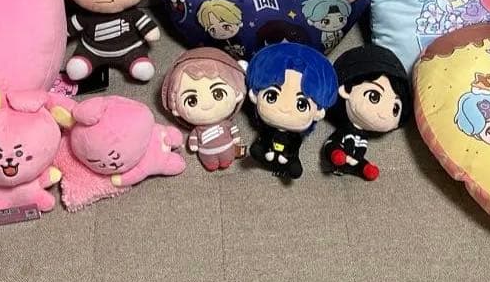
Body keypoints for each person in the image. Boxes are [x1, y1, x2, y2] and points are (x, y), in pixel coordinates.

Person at [246, 43, 337, 180]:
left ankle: (290, 161)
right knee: (261, 145)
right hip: (268, 143)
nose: (285, 109)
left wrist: (291, 156)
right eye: (271, 96)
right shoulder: (266, 127)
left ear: (318, 112)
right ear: (255, 95)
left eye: (302, 105)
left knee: (293, 159)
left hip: (286, 152)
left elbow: (295, 144)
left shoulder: (295, 135)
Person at [321, 45, 411, 182]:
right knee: (334, 150)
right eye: (374, 96)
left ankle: (364, 168)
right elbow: (334, 141)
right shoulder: (344, 127)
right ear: (346, 90)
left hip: (353, 157)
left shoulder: (363, 136)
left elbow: (361, 148)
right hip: (340, 150)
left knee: (360, 163)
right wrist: (338, 154)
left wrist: (356, 158)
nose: (383, 114)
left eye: (395, 108)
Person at [161, 48, 247, 171]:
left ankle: (225, 161)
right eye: (192, 100)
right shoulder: (198, 130)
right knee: (211, 164)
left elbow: (233, 130)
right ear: (175, 107)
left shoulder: (226, 124)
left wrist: (236, 138)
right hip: (207, 154)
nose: (207, 104)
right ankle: (212, 164)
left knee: (227, 160)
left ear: (237, 93)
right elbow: (193, 139)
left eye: (218, 94)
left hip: (227, 149)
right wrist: (193, 144)